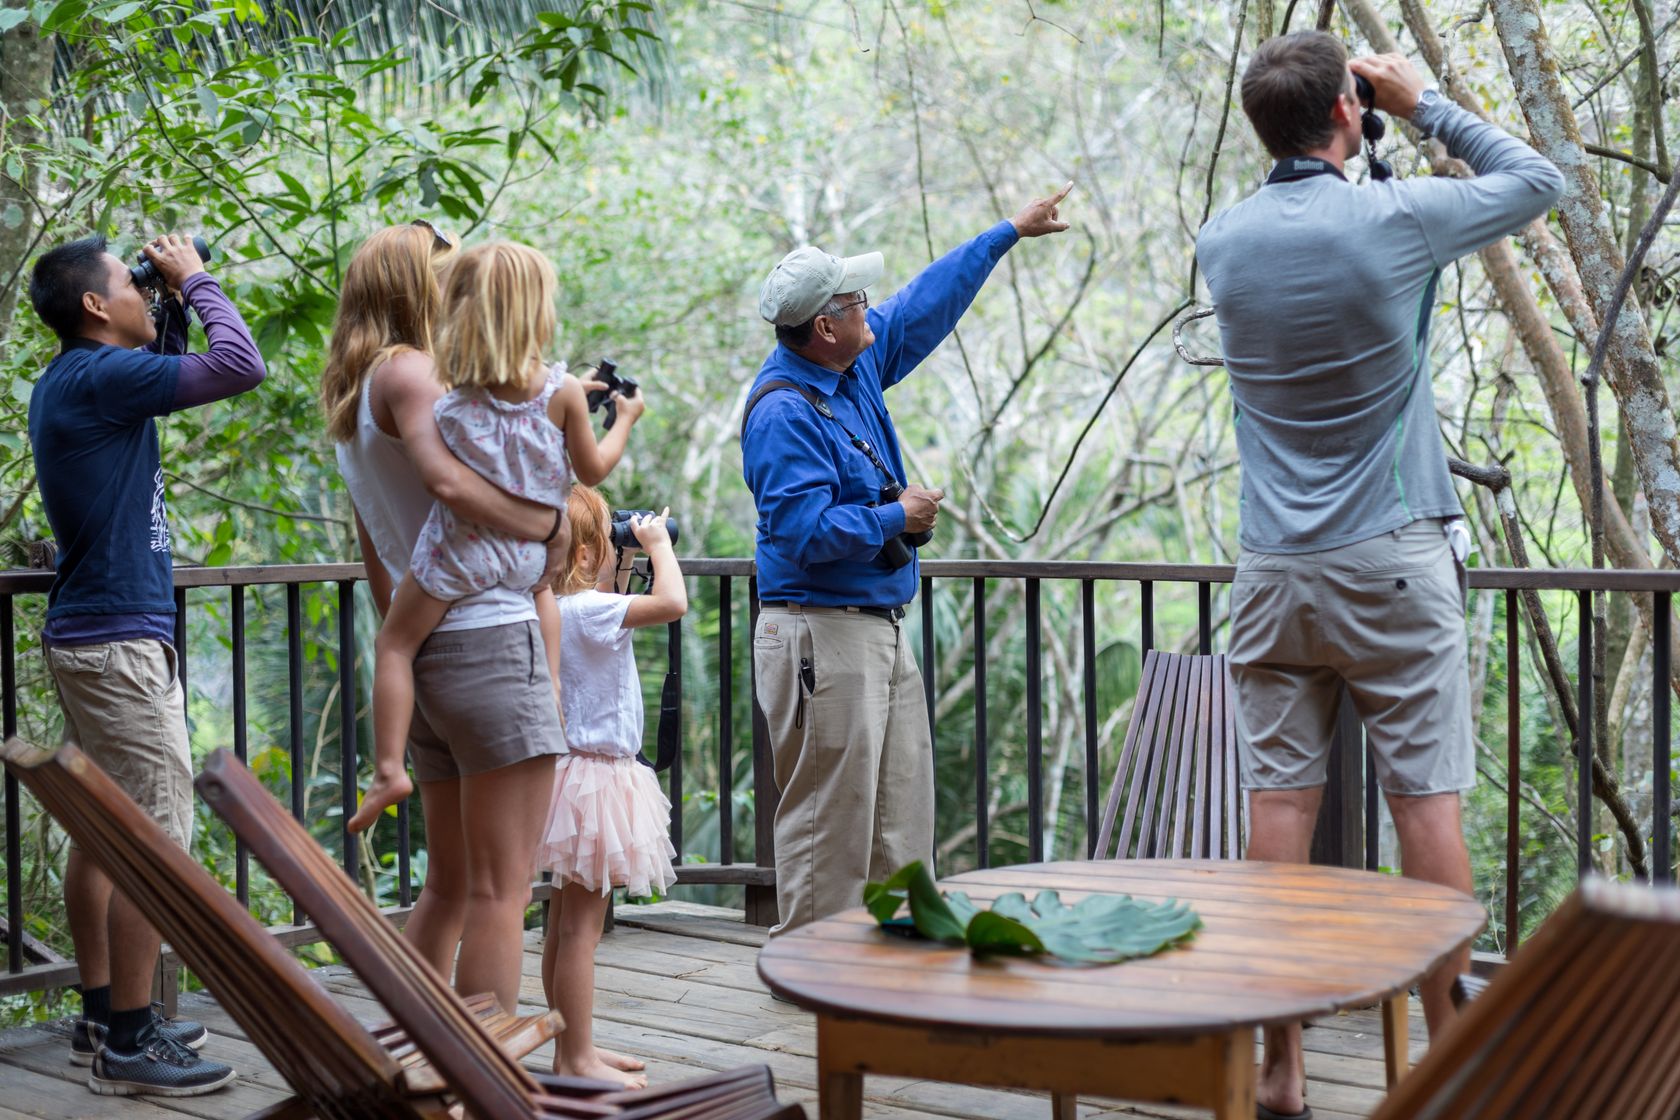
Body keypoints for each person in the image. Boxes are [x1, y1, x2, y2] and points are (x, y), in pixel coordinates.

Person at [1194, 34, 1564, 1120]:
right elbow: (1535, 181)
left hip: (1272, 569)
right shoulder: (1394, 223)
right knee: (1426, 803)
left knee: (1277, 812)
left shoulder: (1223, 239)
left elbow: (1309, 220)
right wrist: (1428, 100)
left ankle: (1282, 1065)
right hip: (1392, 560)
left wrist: (1365, 127)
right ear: (1351, 111)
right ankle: (1453, 1055)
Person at [323, 226, 636, 1031]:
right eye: (448, 267)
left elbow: (377, 550)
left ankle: (419, 1054)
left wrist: (405, 640)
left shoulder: (361, 395)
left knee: (451, 883)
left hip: (430, 646)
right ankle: (485, 1075)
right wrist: (542, 525)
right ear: (420, 284)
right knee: (503, 890)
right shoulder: (417, 377)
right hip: (490, 641)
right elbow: (455, 485)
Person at [741, 186, 1073, 935]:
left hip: (877, 625)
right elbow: (798, 532)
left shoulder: (852, 365)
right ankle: (813, 977)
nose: (872, 308)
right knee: (831, 822)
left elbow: (925, 303)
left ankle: (884, 966)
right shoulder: (784, 411)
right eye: (858, 301)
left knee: (897, 813)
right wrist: (896, 515)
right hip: (819, 635)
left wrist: (1007, 233)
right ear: (825, 324)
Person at [27, 232, 266, 1096]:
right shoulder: (102, 378)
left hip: (92, 635)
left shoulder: (73, 380)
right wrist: (195, 279)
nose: (140, 290)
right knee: (158, 836)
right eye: (126, 285)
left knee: (104, 825)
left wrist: (162, 301)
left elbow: (168, 368)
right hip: (119, 644)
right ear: (95, 305)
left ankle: (105, 1011)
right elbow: (239, 366)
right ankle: (130, 1041)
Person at [352, 239, 643, 835]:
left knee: (394, 644)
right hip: (510, 589)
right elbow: (587, 469)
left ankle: (386, 767)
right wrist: (616, 422)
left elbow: (475, 454)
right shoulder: (555, 395)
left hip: (450, 561)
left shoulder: (451, 402)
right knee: (498, 891)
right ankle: (554, 696)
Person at [537, 486, 682, 1088]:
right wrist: (658, 544)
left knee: (561, 927)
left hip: (570, 776)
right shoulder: (590, 612)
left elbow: (601, 601)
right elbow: (671, 602)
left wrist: (620, 560)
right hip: (598, 781)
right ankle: (576, 1059)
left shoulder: (563, 606)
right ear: (589, 550)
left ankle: (570, 1045)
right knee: (581, 933)